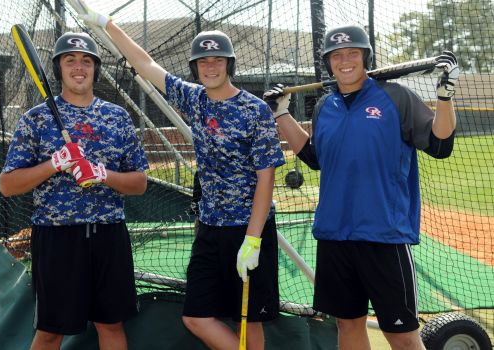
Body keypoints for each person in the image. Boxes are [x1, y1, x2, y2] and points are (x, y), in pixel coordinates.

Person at [79, 4, 285, 349]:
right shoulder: (194, 99)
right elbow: (146, 64)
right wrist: (108, 24)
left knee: (249, 319)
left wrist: (253, 239)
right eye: (203, 62)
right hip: (210, 227)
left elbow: (267, 177)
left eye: (217, 60)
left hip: (250, 229)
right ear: (195, 67)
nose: (210, 67)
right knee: (196, 316)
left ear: (228, 64)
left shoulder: (255, 109)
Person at [263, 24, 459, 350]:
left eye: (352, 53)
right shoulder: (326, 106)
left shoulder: (396, 97)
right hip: (334, 234)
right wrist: (281, 114)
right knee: (347, 325)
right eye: (336, 55)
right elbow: (314, 157)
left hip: (383, 235)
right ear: (328, 62)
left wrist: (444, 97)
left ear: (365, 56)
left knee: (403, 336)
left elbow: (441, 144)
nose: (344, 61)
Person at [0, 32, 149, 350]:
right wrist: (54, 163)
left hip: (108, 234)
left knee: (111, 325)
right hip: (56, 238)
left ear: (94, 68)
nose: (79, 67)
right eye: (70, 60)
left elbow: (139, 183)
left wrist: (102, 174)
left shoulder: (117, 117)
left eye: (86, 61)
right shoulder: (35, 120)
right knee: (52, 332)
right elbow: (7, 185)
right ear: (59, 68)